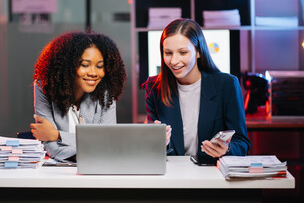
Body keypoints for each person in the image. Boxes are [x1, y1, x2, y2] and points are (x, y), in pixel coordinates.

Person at [144, 18, 250, 158]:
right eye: (168, 53)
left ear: (198, 52)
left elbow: (242, 143)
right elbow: (151, 151)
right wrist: (160, 143)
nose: (174, 61)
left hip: (213, 174)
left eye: (183, 52)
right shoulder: (154, 87)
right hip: (173, 174)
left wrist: (227, 149)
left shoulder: (227, 85)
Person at [30, 31, 127, 162]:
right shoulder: (44, 87)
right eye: (85, 65)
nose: (93, 73)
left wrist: (57, 135)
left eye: (100, 66)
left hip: (98, 172)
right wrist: (90, 151)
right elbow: (50, 145)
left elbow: (108, 142)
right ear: (67, 65)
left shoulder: (105, 91)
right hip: (60, 175)